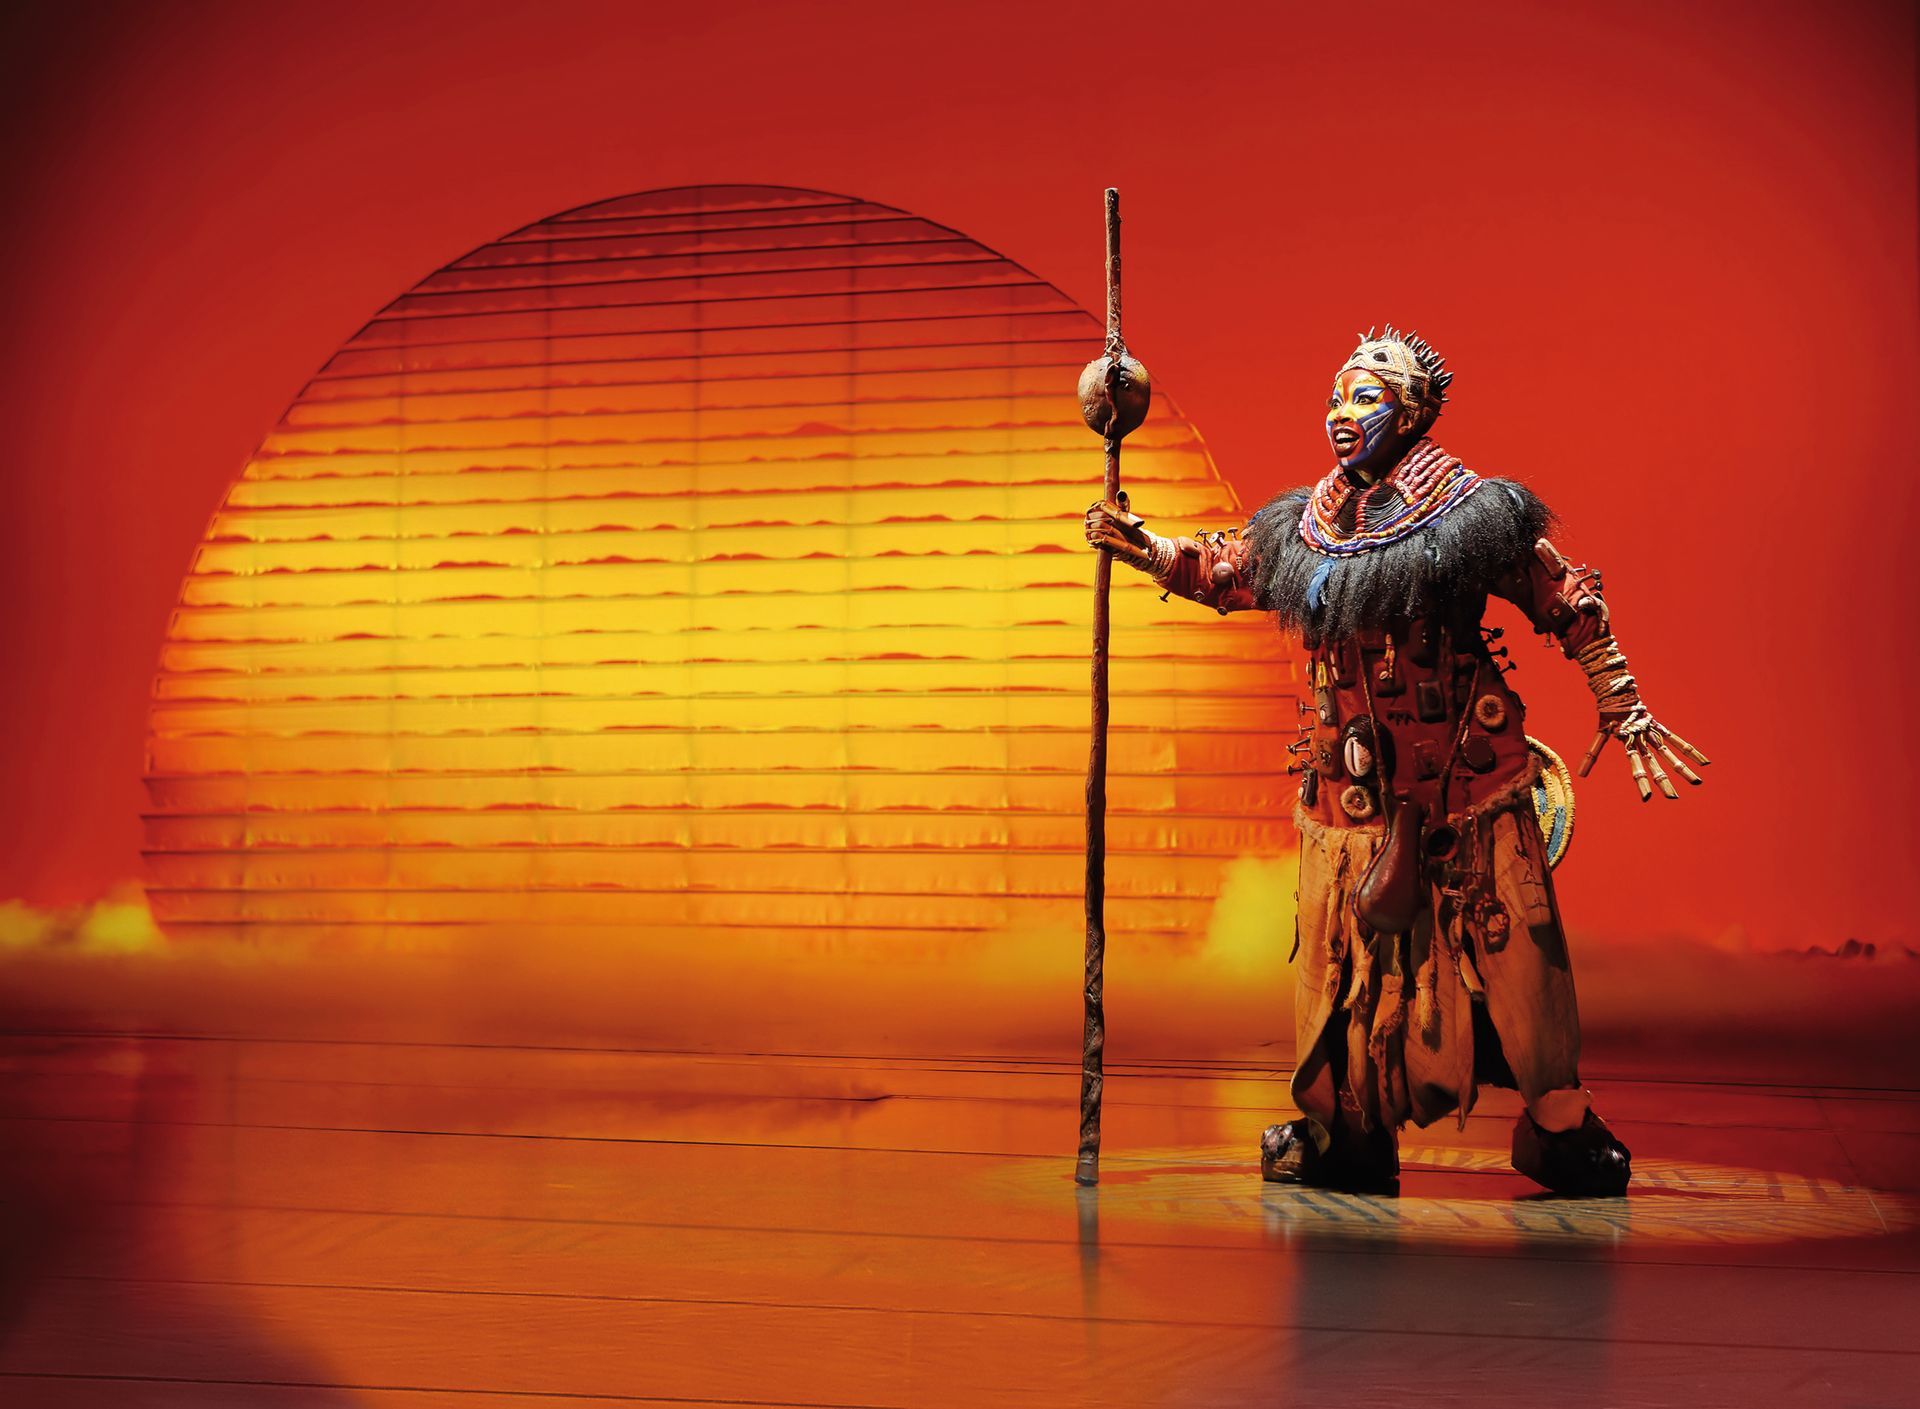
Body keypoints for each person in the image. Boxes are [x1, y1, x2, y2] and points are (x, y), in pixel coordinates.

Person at [1082, 327, 1707, 1196]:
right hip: (1352, 796)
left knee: (1517, 955)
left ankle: (1559, 1124)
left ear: (1411, 413)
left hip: (1468, 785)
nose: (1342, 413)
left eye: (1365, 397)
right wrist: (1146, 545)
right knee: (1342, 970)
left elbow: (1561, 594)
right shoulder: (1308, 525)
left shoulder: (1470, 514)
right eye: (1336, 397)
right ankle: (1346, 1133)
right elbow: (1230, 567)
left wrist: (1621, 699)